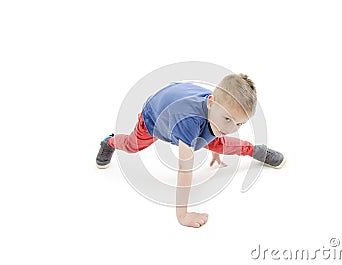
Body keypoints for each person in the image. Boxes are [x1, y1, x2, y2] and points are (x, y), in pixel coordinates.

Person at [96, 73, 285, 228]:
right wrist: (183, 215)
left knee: (222, 141)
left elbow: (219, 130)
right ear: (210, 102)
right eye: (228, 120)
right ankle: (109, 142)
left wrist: (215, 150)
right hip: (154, 116)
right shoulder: (189, 121)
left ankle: (258, 151)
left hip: (183, 97)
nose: (231, 128)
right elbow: (185, 169)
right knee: (132, 145)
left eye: (239, 123)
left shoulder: (219, 112)